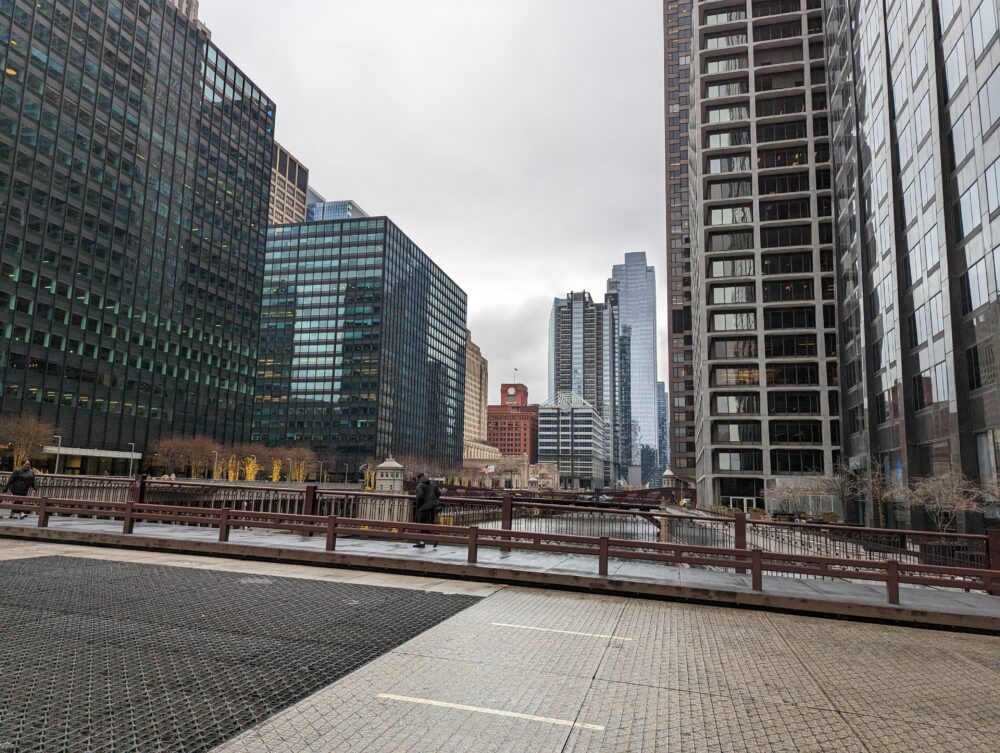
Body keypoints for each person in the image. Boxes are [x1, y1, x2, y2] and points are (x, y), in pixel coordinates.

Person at [412, 473, 441, 549]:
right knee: (429, 525)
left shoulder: (419, 485)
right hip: (432, 508)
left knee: (422, 526)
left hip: (423, 508)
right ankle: (427, 541)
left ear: (418, 478)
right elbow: (438, 493)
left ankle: (429, 541)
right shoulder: (432, 484)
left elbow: (420, 496)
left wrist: (418, 506)